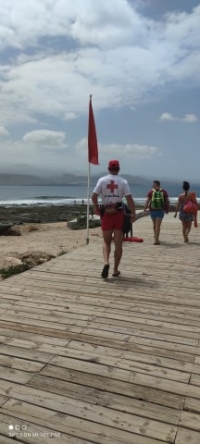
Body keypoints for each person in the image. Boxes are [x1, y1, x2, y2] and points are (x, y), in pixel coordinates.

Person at [92, 160, 136, 279]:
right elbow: (129, 199)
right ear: (119, 169)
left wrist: (96, 207)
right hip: (118, 213)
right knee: (118, 243)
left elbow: (94, 196)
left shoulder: (102, 180)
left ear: (108, 169)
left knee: (106, 241)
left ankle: (106, 262)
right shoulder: (123, 181)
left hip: (106, 213)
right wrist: (133, 213)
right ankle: (115, 270)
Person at [143, 180, 170, 245]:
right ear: (159, 185)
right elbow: (167, 201)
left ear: (155, 185)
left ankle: (155, 237)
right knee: (158, 225)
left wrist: (144, 209)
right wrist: (167, 209)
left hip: (152, 211)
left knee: (154, 224)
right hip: (160, 210)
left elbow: (147, 201)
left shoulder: (151, 192)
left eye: (153, 185)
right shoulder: (163, 192)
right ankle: (156, 240)